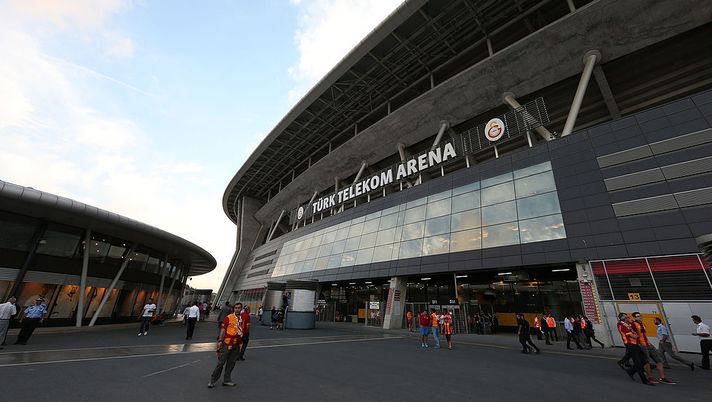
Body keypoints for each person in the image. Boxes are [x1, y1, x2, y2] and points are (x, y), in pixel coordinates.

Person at [631, 312, 675, 384]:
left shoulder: (643, 324)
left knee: (659, 360)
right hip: (641, 344)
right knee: (646, 361)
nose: (640, 317)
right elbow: (631, 334)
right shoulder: (633, 324)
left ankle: (662, 377)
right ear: (635, 318)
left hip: (648, 344)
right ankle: (649, 377)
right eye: (637, 316)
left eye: (640, 316)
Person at [208, 302, 243, 388]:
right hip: (226, 343)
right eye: (236, 308)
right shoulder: (229, 317)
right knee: (221, 362)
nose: (237, 309)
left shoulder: (242, 318)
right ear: (233, 309)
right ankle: (212, 380)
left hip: (236, 344)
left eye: (239, 308)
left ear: (241, 309)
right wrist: (220, 340)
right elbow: (223, 330)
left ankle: (227, 380)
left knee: (231, 363)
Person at [616, 313, 652, 386]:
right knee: (638, 362)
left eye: (627, 317)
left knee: (644, 360)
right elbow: (630, 334)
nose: (628, 318)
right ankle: (644, 380)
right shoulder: (621, 325)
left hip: (635, 344)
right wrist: (638, 337)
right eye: (626, 317)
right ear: (622, 318)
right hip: (630, 344)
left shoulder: (628, 324)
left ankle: (630, 371)